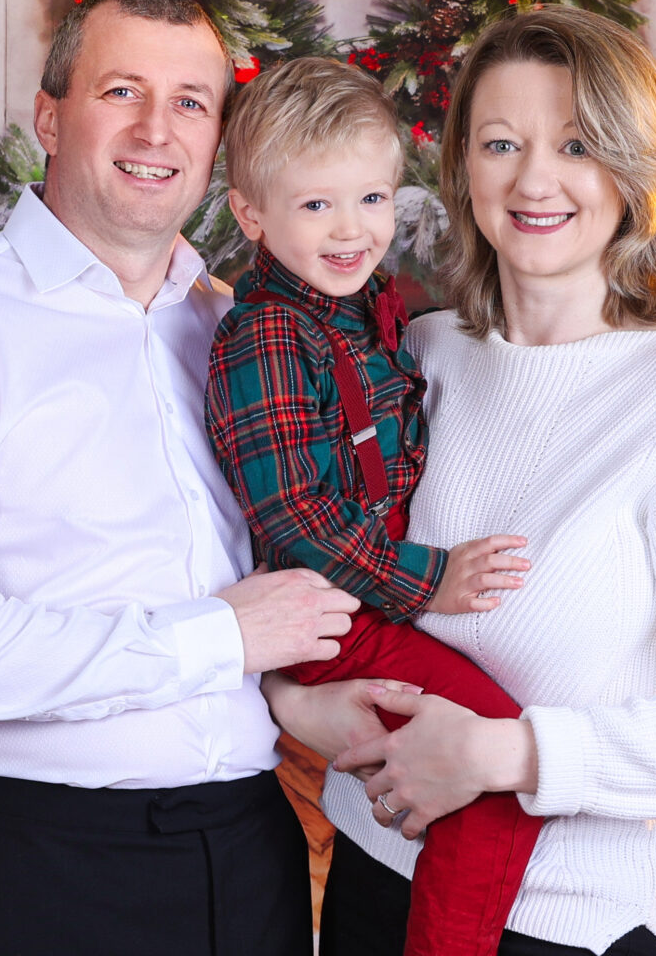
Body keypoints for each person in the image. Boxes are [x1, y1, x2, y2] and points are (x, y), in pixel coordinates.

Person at [0, 0, 370, 956]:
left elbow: (282, 597)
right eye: (122, 90)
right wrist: (209, 637)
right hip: (40, 869)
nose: (156, 129)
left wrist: (316, 698)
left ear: (218, 137)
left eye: (190, 101)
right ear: (50, 115)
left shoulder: (239, 329)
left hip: (250, 855)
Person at [305, 5, 656, 956]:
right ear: (462, 166)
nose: (534, 179)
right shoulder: (417, 355)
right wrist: (300, 704)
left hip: (568, 921)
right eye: (501, 143)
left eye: (577, 144)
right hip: (375, 886)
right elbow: (312, 570)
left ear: (633, 167)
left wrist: (508, 755)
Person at [205, 56, 546, 956]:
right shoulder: (266, 336)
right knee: (500, 762)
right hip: (332, 614)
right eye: (316, 206)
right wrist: (431, 579)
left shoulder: (366, 310)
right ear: (252, 215)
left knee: (481, 758)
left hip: (365, 605)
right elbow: (298, 526)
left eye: (372, 200)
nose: (352, 230)